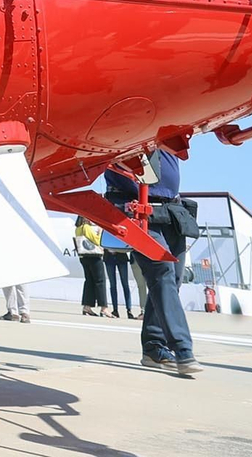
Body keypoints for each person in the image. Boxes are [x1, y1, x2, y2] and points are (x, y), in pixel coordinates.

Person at [105, 152, 203, 377]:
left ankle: (153, 347)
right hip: (134, 205)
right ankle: (183, 349)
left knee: (173, 279)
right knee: (162, 272)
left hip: (171, 208)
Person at [75, 216, 111, 317]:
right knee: (100, 281)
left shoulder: (78, 229)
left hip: (84, 256)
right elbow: (97, 240)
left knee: (89, 281)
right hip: (94, 256)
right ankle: (104, 307)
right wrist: (100, 232)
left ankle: (87, 306)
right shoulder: (86, 227)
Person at [102, 226, 137, 319]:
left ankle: (129, 309)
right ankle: (115, 309)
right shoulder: (105, 228)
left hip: (121, 256)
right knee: (113, 285)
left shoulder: (120, 227)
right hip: (109, 257)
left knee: (125, 284)